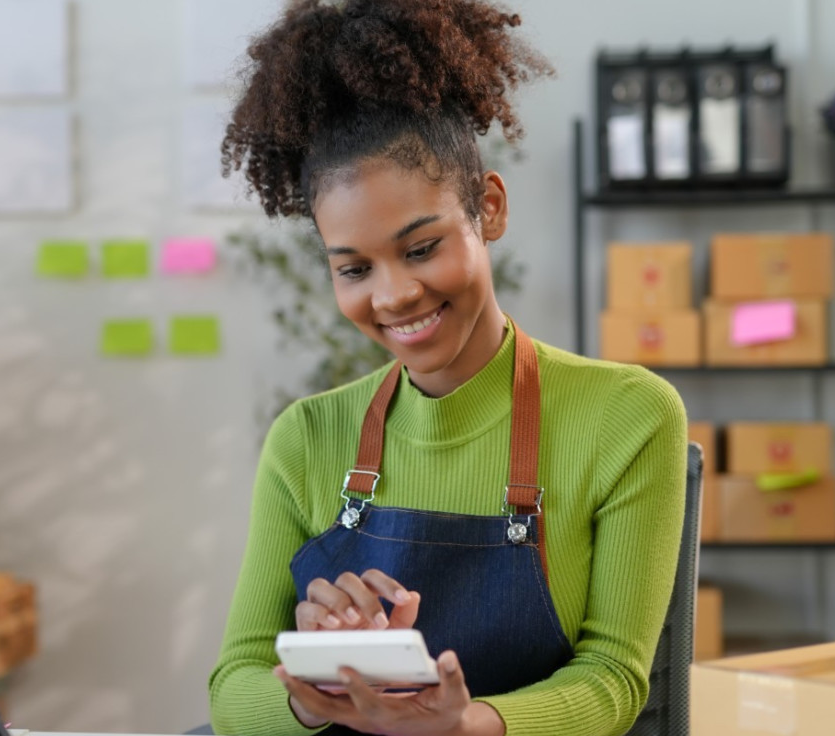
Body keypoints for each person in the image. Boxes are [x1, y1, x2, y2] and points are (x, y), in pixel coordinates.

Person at [206, 1, 687, 735]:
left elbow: (614, 681)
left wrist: (467, 727)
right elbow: (234, 684)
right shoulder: (306, 438)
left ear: (487, 209)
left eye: (422, 247)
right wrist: (315, 690)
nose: (394, 295)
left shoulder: (626, 415)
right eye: (354, 268)